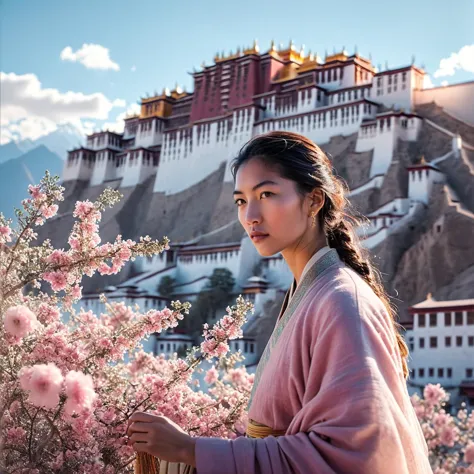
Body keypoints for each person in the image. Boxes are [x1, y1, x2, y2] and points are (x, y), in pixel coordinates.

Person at [127, 131, 433, 473]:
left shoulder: (342, 302)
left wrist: (193, 450)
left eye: (267, 194)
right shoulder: (311, 294)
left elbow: (355, 452)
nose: (250, 216)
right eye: (241, 201)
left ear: (314, 200)